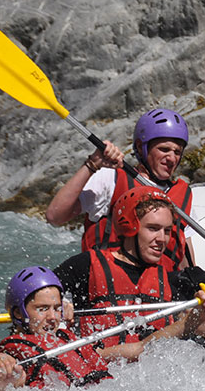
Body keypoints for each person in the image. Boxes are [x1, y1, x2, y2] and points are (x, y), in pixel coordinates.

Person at [54, 186, 205, 362]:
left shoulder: (167, 282)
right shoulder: (87, 265)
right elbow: (35, 292)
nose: (162, 239)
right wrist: (60, 302)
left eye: (167, 231)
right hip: (96, 369)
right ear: (129, 227)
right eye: (153, 229)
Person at [0, 266, 205, 391]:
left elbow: (141, 348)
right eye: (42, 309)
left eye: (57, 308)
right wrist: (1, 382)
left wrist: (193, 319)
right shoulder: (11, 358)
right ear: (19, 313)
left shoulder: (74, 343)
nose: (52, 317)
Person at [45, 108, 195, 270]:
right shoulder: (112, 179)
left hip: (158, 283)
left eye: (177, 152)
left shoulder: (182, 197)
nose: (172, 158)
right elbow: (55, 216)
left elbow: (183, 258)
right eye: (164, 149)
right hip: (107, 280)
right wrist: (92, 164)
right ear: (141, 147)